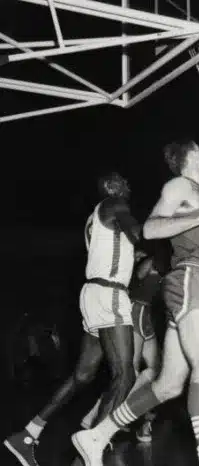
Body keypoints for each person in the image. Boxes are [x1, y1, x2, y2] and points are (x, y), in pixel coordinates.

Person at [71, 140, 199, 466]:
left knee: (168, 384)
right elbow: (150, 228)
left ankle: (96, 435)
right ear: (190, 157)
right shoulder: (181, 185)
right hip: (190, 277)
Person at [4, 172, 139, 466]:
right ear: (110, 187)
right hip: (109, 294)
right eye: (123, 181)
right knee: (125, 374)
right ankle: (95, 445)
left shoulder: (98, 217)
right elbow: (142, 234)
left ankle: (27, 434)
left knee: (83, 375)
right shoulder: (115, 203)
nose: (128, 186)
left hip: (92, 294)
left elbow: (128, 245)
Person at [80, 250, 165, 443]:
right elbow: (138, 275)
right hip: (134, 310)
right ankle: (98, 418)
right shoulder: (151, 258)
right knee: (130, 373)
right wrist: (141, 260)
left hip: (146, 315)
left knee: (156, 371)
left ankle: (114, 414)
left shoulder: (173, 260)